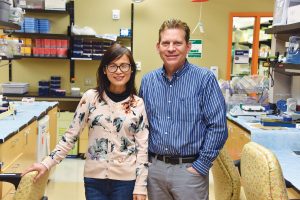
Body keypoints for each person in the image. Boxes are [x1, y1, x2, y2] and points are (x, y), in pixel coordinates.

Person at [23, 43, 149, 200]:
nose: (118, 71)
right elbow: (70, 136)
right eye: (112, 66)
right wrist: (46, 163)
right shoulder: (91, 98)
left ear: (131, 69)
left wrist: (141, 185)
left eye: (124, 66)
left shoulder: (138, 104)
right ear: (104, 70)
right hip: (94, 180)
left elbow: (142, 149)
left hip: (126, 182)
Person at [139, 19, 228, 200]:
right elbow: (142, 126)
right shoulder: (148, 82)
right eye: (166, 43)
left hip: (189, 172)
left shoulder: (204, 79)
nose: (171, 48)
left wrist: (200, 166)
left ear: (188, 47)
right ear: (158, 47)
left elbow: (218, 126)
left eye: (177, 43)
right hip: (154, 170)